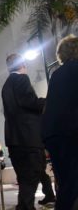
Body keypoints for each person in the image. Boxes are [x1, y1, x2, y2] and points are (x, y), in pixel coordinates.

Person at [2, 53, 54, 209]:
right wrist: (48, 101)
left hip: (14, 141)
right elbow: (29, 102)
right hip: (29, 140)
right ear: (22, 64)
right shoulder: (21, 79)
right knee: (30, 180)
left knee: (25, 180)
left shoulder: (6, 86)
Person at [42, 34, 78, 210]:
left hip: (54, 135)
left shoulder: (56, 75)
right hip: (71, 134)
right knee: (72, 183)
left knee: (65, 183)